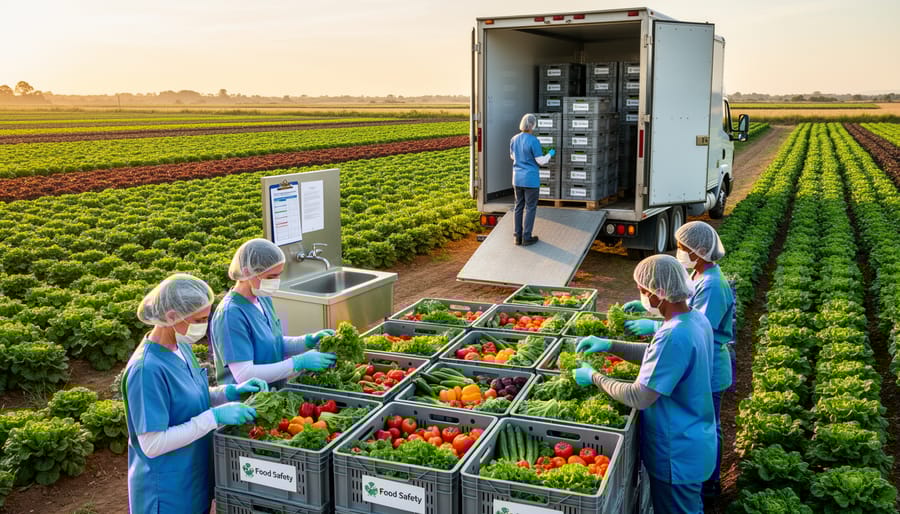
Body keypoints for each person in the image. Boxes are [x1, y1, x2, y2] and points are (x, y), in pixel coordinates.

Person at [573, 255, 716, 514]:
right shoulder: (693, 319)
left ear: (658, 293)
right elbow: (658, 356)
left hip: (676, 452)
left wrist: (595, 377)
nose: (641, 295)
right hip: (694, 438)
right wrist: (610, 346)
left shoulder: (674, 335)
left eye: (642, 290)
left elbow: (639, 397)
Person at [124, 273, 266, 514]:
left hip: (192, 478)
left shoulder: (180, 347)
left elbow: (189, 396)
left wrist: (229, 392)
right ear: (171, 316)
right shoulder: (146, 370)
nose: (204, 325)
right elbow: (152, 443)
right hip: (166, 493)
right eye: (199, 319)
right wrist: (214, 417)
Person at [622, 221, 735, 499]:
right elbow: (684, 310)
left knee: (707, 423)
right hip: (697, 365)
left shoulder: (712, 285)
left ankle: (710, 482)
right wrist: (652, 311)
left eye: (684, 249)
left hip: (710, 369)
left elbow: (690, 332)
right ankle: (701, 483)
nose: (680, 253)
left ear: (700, 251)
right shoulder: (697, 277)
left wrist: (655, 327)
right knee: (700, 422)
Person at [210, 238, 337, 388]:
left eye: (278, 274)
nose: (276, 281)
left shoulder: (262, 298)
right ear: (247, 273)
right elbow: (244, 374)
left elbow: (272, 342)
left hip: (273, 390)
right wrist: (297, 363)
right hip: (249, 402)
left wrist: (306, 341)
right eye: (270, 277)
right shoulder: (230, 315)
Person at [510, 113, 555, 246]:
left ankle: (517, 237)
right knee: (530, 208)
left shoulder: (514, 138)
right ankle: (527, 237)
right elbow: (540, 161)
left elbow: (512, 156)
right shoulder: (534, 141)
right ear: (532, 125)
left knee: (518, 207)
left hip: (517, 179)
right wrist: (550, 154)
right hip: (530, 179)